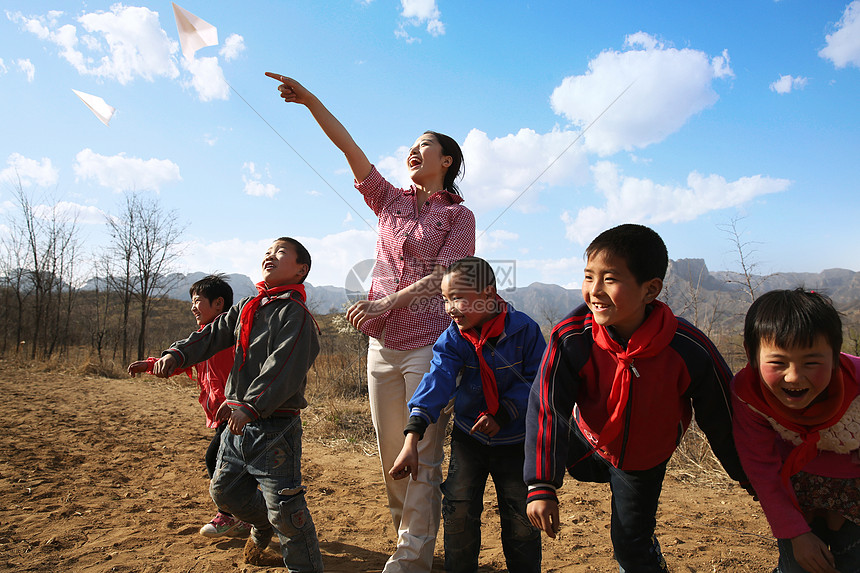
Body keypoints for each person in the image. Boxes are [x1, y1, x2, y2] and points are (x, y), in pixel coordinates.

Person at [268, 73, 476, 572]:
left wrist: (389, 302)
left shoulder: (459, 216)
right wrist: (311, 101)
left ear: (445, 161)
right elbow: (348, 148)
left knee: (422, 453)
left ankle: (410, 558)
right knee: (392, 458)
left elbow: (447, 274)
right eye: (410, 146)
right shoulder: (389, 200)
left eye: (424, 146)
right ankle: (412, 542)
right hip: (381, 347)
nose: (413, 151)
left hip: (430, 346)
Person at [524, 223, 750, 572]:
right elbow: (548, 407)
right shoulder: (573, 337)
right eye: (588, 277)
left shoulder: (687, 347)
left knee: (630, 547)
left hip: (642, 459)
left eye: (610, 279)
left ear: (650, 290)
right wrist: (541, 484)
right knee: (523, 441)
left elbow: (724, 418)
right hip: (586, 443)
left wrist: (752, 479)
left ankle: (645, 550)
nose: (594, 291)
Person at [146, 237, 323, 572]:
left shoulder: (294, 315)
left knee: (286, 509)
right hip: (237, 423)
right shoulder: (248, 306)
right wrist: (176, 354)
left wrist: (251, 405)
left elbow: (283, 367)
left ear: (301, 269)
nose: (270, 256)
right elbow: (211, 334)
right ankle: (262, 523)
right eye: (268, 251)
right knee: (225, 492)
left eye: (280, 252)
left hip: (274, 428)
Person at [390, 257, 544, 573]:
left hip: (515, 442)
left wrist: (504, 412)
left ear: (488, 294)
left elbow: (537, 382)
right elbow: (438, 378)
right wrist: (412, 436)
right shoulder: (455, 336)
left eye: (457, 298)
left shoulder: (525, 331)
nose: (450, 308)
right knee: (458, 511)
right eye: (445, 300)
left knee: (520, 518)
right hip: (469, 440)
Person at [732, 289, 860, 573]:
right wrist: (796, 533)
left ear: (837, 355)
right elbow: (761, 467)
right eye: (778, 363)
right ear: (750, 354)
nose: (793, 377)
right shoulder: (748, 394)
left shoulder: (857, 386)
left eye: (811, 362)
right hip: (793, 491)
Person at [128, 274, 250, 539]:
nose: (193, 307)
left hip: (238, 414)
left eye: (197, 301)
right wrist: (150, 364)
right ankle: (244, 516)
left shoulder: (229, 336)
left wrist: (237, 403)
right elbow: (180, 362)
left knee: (217, 460)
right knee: (233, 467)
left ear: (219, 304)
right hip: (222, 417)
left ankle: (231, 516)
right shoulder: (201, 340)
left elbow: (246, 371)